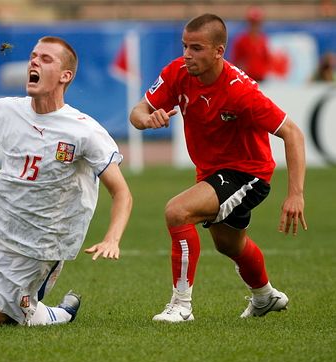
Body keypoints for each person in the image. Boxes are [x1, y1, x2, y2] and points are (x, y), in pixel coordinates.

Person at [0, 36, 132, 327]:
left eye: (46, 58)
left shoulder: (85, 132)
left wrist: (112, 238)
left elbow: (122, 192)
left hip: (41, 242)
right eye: (33, 56)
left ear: (66, 76)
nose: (34, 62)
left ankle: (61, 312)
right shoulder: (2, 111)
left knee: (6, 322)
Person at [130, 14, 307, 323]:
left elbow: (292, 132)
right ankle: (265, 297)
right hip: (213, 173)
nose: (187, 54)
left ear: (218, 51)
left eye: (196, 48)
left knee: (177, 212)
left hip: (248, 173)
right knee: (229, 244)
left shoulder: (241, 91)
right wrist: (145, 120)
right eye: (185, 46)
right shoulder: (177, 72)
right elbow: (138, 110)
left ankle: (181, 306)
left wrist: (296, 194)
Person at [230, 7, 272, 82]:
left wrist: (264, 71)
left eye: (257, 23)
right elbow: (235, 60)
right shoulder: (241, 40)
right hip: (247, 80)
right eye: (252, 23)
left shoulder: (263, 39)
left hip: (261, 79)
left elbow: (267, 59)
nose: (255, 26)